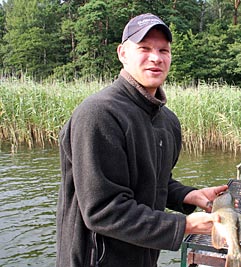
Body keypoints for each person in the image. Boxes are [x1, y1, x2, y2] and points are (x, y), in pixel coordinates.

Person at [56, 13, 229, 267]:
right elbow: (104, 209)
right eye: (144, 48)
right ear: (122, 53)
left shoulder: (167, 120)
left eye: (163, 50)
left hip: (144, 257)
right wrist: (185, 226)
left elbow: (155, 181)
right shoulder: (99, 115)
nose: (156, 58)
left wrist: (188, 195)